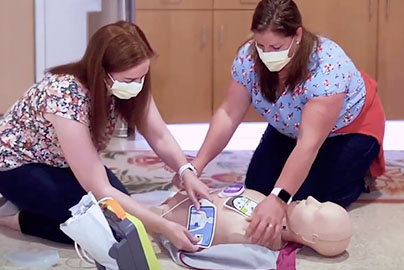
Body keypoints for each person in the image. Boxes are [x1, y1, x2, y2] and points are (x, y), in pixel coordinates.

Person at [174, 0, 385, 248]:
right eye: (261, 45)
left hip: (348, 131)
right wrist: (196, 165)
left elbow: (308, 144)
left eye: (276, 46)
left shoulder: (326, 69)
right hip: (289, 127)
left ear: (298, 34)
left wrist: (279, 198)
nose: (267, 53)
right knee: (255, 190)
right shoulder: (249, 58)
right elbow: (229, 113)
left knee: (306, 197)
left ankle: (360, 175)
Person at [0, 21, 212, 252]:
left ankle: (40, 203)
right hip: (17, 164)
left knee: (122, 215)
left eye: (143, 76)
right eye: (129, 80)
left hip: (61, 161)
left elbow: (158, 134)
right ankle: (14, 218)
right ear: (101, 72)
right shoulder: (64, 94)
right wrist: (162, 227)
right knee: (108, 230)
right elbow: (100, 188)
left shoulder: (128, 85)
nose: (137, 85)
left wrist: (185, 170)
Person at [157, 188, 352, 257]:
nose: (311, 199)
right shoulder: (268, 203)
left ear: (311, 237)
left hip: (169, 218)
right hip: (184, 197)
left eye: (316, 209)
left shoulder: (257, 239)